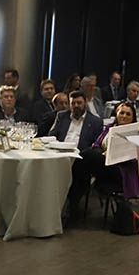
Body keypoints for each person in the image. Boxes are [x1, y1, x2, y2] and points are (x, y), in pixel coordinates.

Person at [49, 90, 104, 219]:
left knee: (79, 172)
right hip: (59, 154)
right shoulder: (61, 116)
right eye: (73, 103)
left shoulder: (95, 121)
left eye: (79, 103)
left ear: (85, 103)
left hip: (81, 158)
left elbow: (96, 146)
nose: (76, 106)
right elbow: (51, 135)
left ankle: (69, 207)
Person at [87, 101, 139, 198]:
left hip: (121, 170)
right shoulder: (109, 128)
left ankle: (74, 199)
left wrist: (111, 154)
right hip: (103, 162)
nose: (124, 116)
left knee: (87, 156)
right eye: (122, 113)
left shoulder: (134, 134)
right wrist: (103, 153)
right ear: (117, 114)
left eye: (128, 114)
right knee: (86, 159)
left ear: (133, 118)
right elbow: (96, 144)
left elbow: (132, 158)